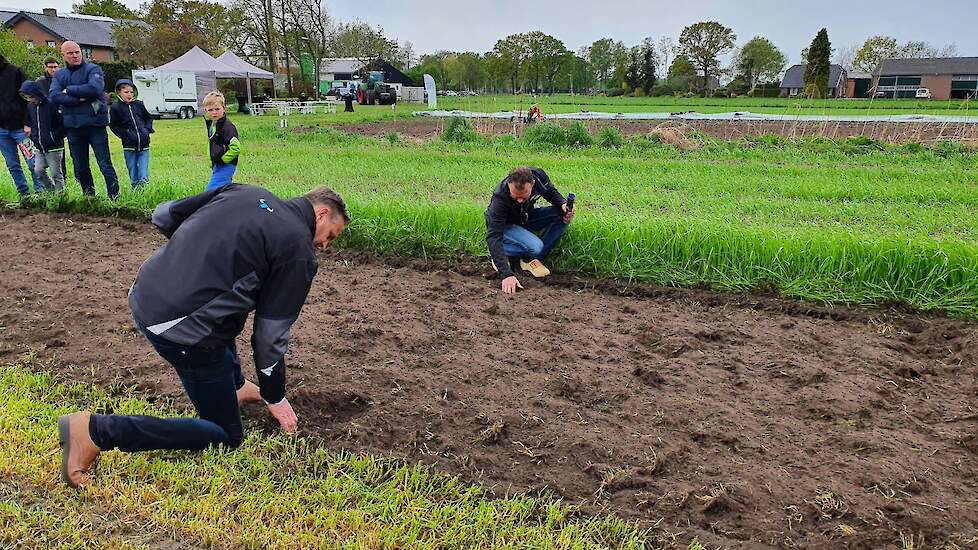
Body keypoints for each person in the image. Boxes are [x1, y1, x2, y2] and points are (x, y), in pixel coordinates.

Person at [57, 183, 351, 489]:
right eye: (330, 235)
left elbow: (165, 215)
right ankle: (95, 431)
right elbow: (268, 337)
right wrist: (274, 396)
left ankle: (233, 387)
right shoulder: (298, 253)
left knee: (224, 307)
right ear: (321, 212)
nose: (326, 246)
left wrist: (193, 259)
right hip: (176, 327)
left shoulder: (247, 193)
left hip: (145, 290)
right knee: (225, 436)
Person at [485, 166, 576, 294]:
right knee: (536, 246)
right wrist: (506, 274)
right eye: (515, 196)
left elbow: (550, 192)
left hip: (526, 217)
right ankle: (501, 254)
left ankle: (528, 259)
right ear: (509, 185)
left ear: (532, 184)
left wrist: (562, 204)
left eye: (523, 195)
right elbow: (494, 235)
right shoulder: (500, 198)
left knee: (562, 213)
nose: (520, 200)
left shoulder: (538, 176)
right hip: (507, 226)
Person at [49, 41, 119, 199]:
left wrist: (69, 90)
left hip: (96, 125)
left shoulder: (93, 69)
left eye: (77, 52)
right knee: (80, 167)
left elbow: (95, 89)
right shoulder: (60, 75)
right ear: (63, 55)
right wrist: (79, 99)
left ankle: (114, 197)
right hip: (73, 128)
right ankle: (89, 197)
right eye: (70, 53)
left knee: (105, 164)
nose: (75, 55)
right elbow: (54, 96)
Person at [0, 54, 38, 196]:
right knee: (13, 165)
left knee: (33, 163)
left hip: (21, 129)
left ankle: (41, 193)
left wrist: (28, 122)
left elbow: (29, 99)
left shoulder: (15, 72)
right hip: (2, 130)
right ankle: (24, 195)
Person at [19, 80, 66, 192]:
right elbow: (30, 122)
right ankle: (52, 192)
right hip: (39, 147)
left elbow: (63, 124)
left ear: (36, 94)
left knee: (56, 173)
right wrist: (32, 136)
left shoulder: (52, 105)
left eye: (31, 97)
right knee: (38, 171)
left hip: (54, 147)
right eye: (27, 98)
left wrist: (53, 137)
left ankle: (61, 196)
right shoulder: (30, 107)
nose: (30, 100)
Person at [109, 79, 154, 188]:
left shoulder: (139, 104)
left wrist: (147, 130)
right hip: (129, 146)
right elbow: (114, 125)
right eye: (126, 92)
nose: (129, 94)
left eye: (131, 92)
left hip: (144, 145)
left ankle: (145, 191)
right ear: (119, 92)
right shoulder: (115, 107)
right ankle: (135, 190)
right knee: (133, 172)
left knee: (143, 173)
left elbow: (148, 118)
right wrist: (125, 135)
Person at [203, 91, 240, 191]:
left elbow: (236, 148)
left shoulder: (227, 127)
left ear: (224, 109)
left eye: (217, 109)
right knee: (224, 191)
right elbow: (212, 144)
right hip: (217, 165)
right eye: (210, 110)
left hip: (226, 165)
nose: (214, 112)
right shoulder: (213, 125)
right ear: (205, 110)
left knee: (210, 192)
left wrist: (223, 160)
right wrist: (213, 162)